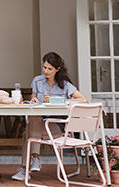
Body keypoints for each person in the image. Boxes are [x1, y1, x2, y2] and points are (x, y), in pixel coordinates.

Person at [11, 52, 87, 181]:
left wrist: (64, 101)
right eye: (45, 67)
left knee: (27, 134)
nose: (46, 71)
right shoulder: (37, 81)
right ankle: (34, 160)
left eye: (50, 69)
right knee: (34, 118)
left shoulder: (65, 84)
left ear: (57, 69)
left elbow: (83, 100)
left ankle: (26, 168)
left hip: (57, 126)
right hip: (40, 123)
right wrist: (34, 99)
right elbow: (33, 96)